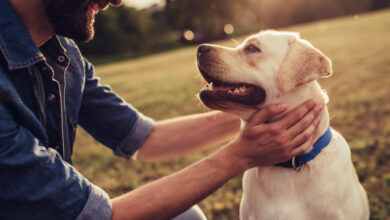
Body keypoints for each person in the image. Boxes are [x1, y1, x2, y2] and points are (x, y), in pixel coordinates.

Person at [0, 0, 323, 219]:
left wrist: (263, 110)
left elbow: (146, 139)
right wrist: (241, 155)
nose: (117, 0)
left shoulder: (64, 56)